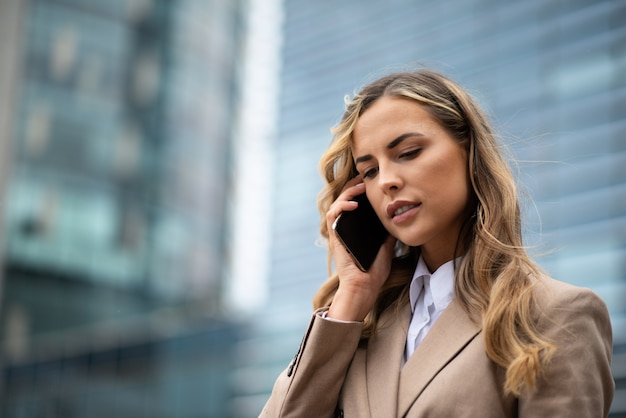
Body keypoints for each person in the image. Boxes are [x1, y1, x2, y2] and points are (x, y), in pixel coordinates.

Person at [259, 69, 615, 417]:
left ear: (469, 151)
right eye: (369, 171)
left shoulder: (558, 314)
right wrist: (352, 295)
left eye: (409, 152)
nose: (387, 181)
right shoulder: (355, 327)